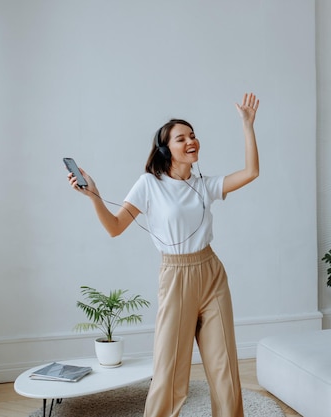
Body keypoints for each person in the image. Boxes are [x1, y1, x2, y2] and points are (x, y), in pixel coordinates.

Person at [67, 93, 260, 417]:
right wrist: (94, 197)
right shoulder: (148, 185)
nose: (191, 141)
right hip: (176, 276)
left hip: (211, 273)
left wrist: (247, 125)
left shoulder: (205, 184)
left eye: (193, 135)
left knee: (224, 368)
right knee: (170, 374)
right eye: (181, 138)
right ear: (165, 149)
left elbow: (251, 172)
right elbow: (115, 227)